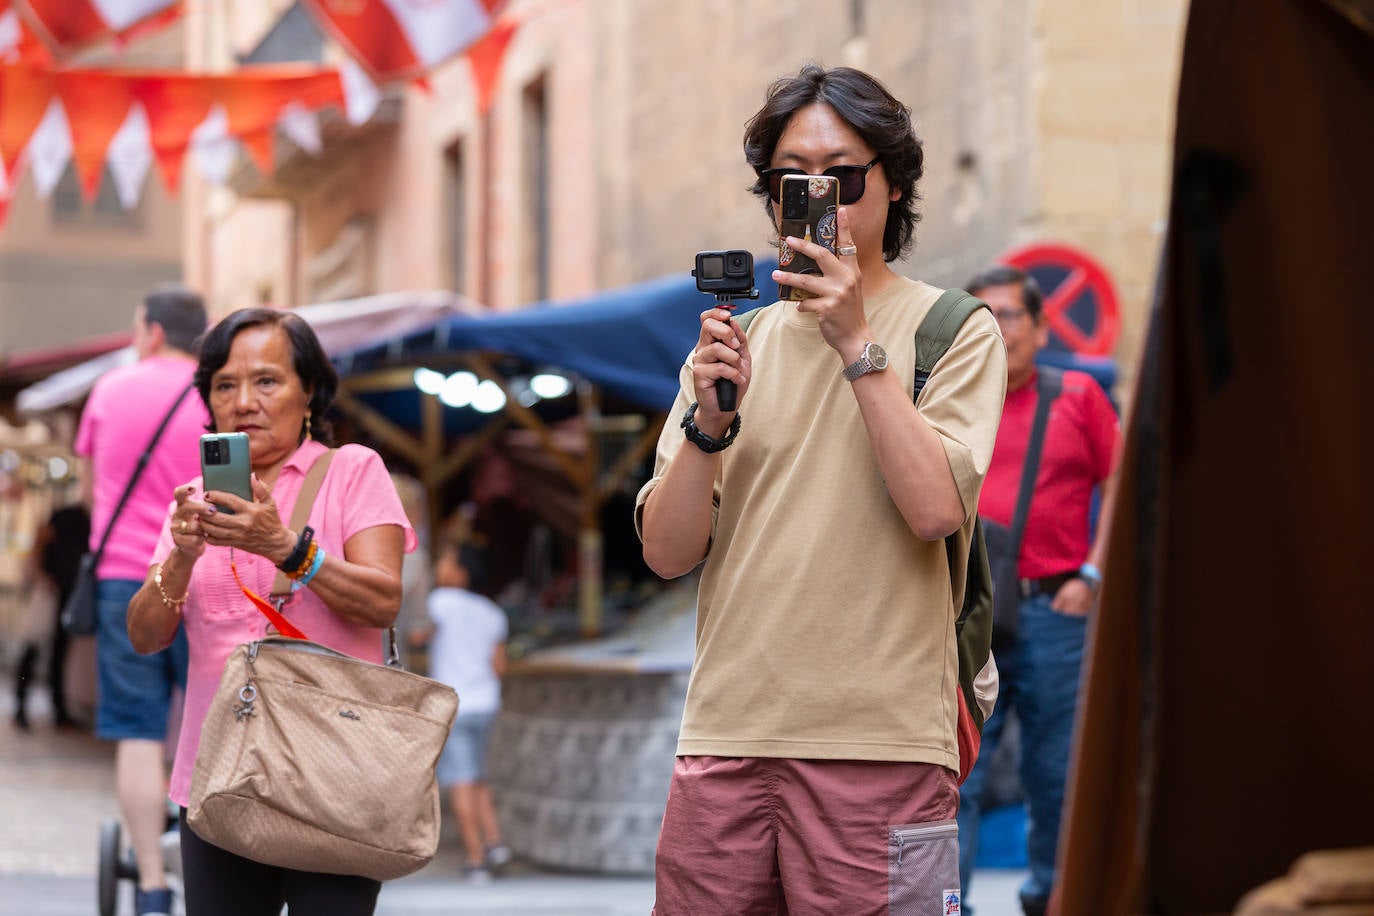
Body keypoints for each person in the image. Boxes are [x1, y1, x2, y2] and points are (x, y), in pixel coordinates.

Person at [636, 64, 1007, 912]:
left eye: (841, 177)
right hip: (726, 738)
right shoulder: (735, 342)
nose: (818, 200)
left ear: (893, 183)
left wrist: (857, 346)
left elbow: (933, 511)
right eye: (791, 180)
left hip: (882, 744)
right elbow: (665, 552)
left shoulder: (952, 327)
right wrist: (708, 425)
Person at [125, 307, 417, 916]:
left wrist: (284, 546)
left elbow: (383, 600)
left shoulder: (353, 471)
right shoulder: (197, 503)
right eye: (225, 385)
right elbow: (145, 635)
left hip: (333, 777)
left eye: (267, 381)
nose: (244, 401)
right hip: (217, 782)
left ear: (308, 390)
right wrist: (180, 556)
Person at [955, 265, 1121, 916]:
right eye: (982, 316)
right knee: (958, 771)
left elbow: (1126, 485)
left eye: (1010, 315)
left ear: (1041, 326)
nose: (996, 329)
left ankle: (1053, 899)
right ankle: (951, 906)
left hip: (1056, 607)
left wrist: (1093, 576)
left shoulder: (1077, 395)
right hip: (970, 613)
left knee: (1054, 775)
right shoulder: (952, 396)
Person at [74, 285, 209, 916]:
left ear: (153, 331)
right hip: (203, 569)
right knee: (204, 712)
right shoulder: (216, 393)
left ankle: (152, 885)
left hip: (126, 577)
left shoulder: (109, 390)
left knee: (135, 725)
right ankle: (204, 862)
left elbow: (85, 489)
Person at [417, 540, 511, 884]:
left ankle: (475, 860)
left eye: (447, 561)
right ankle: (495, 843)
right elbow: (499, 666)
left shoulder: (438, 603)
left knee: (460, 781)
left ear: (461, 572)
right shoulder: (492, 612)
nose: (441, 566)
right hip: (487, 702)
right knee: (477, 778)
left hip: (455, 704)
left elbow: (416, 635)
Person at [11, 503, 90, 731]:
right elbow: (38, 546)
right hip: (50, 594)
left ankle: (58, 710)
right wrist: (40, 577)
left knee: (59, 654)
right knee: (33, 649)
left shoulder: (88, 520)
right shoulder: (64, 515)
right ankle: (21, 707)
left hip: (69, 596)